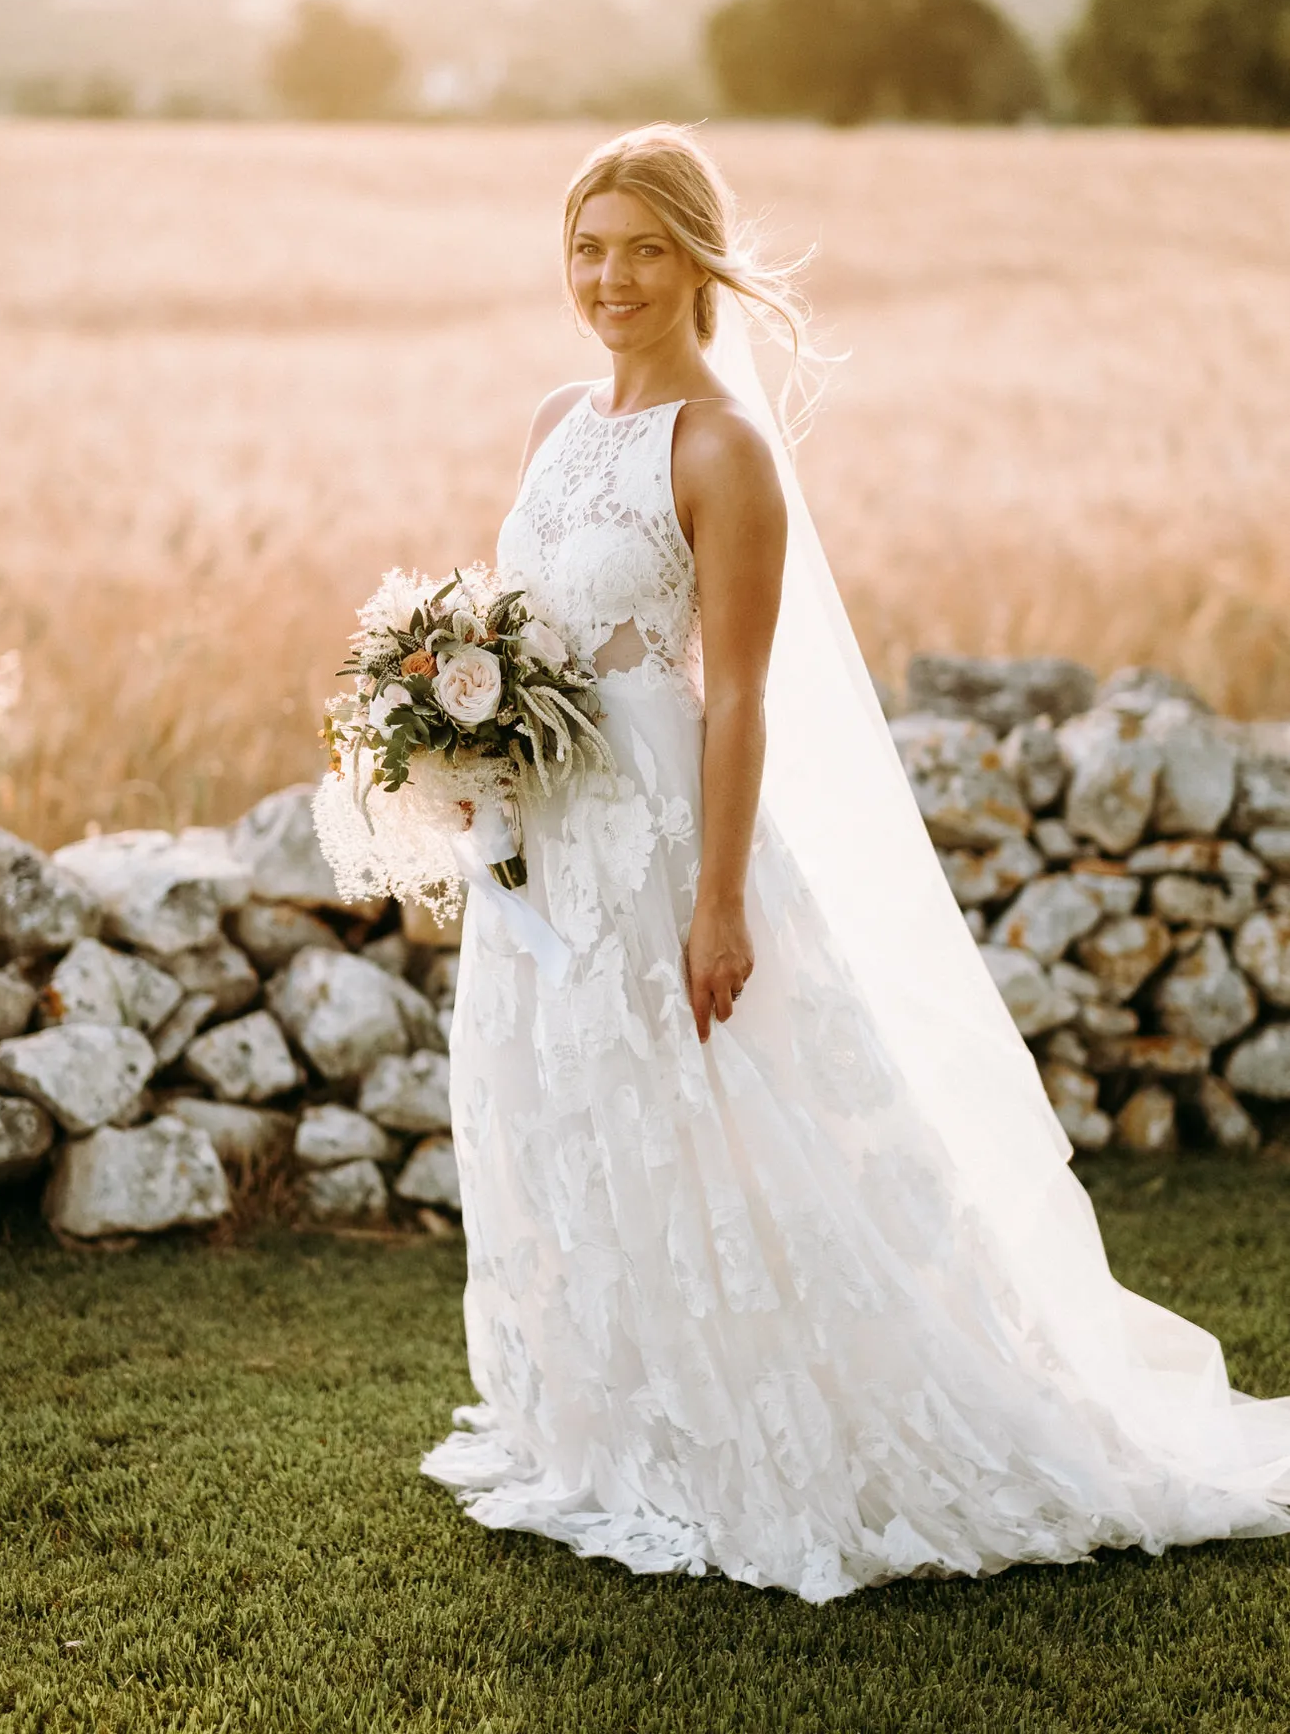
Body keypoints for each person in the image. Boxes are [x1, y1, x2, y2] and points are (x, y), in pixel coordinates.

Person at [421, 124, 1290, 1601]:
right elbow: (526, 623)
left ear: (697, 257)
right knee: (563, 1103)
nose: (610, 277)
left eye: (642, 247)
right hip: (545, 838)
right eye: (588, 247)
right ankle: (614, 1430)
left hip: (660, 835)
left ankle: (785, 1435)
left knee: (719, 1125)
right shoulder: (555, 420)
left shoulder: (724, 448)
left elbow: (741, 690)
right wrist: (454, 718)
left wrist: (719, 903)